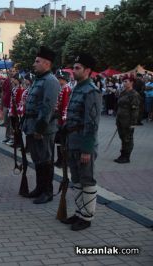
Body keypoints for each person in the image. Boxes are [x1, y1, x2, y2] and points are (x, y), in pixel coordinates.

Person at [62, 53, 102, 231]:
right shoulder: (77, 88)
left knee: (87, 179)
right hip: (73, 140)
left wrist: (87, 149)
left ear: (87, 71)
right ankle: (79, 212)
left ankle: (87, 217)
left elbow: (92, 123)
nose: (73, 70)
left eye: (77, 68)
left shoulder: (91, 91)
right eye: (74, 67)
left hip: (84, 143)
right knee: (76, 178)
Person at [22, 46, 60, 204]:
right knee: (38, 159)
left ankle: (47, 191)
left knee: (46, 159)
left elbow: (48, 107)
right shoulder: (39, 80)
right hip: (32, 125)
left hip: (43, 128)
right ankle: (39, 188)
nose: (34, 64)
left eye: (37, 61)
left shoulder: (50, 81)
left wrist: (40, 128)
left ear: (46, 63)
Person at [114, 75, 140, 163]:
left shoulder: (134, 94)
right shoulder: (123, 92)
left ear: (131, 82)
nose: (124, 83)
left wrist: (133, 123)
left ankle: (126, 156)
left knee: (128, 138)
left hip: (128, 120)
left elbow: (135, 110)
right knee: (122, 137)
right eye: (123, 81)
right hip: (120, 119)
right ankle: (122, 154)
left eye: (126, 81)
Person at [54, 70, 72, 168]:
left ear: (63, 79)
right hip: (59, 118)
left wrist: (63, 120)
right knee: (59, 140)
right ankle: (60, 159)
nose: (57, 80)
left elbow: (65, 105)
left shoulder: (66, 89)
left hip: (62, 119)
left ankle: (63, 161)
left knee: (63, 141)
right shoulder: (62, 88)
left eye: (59, 78)